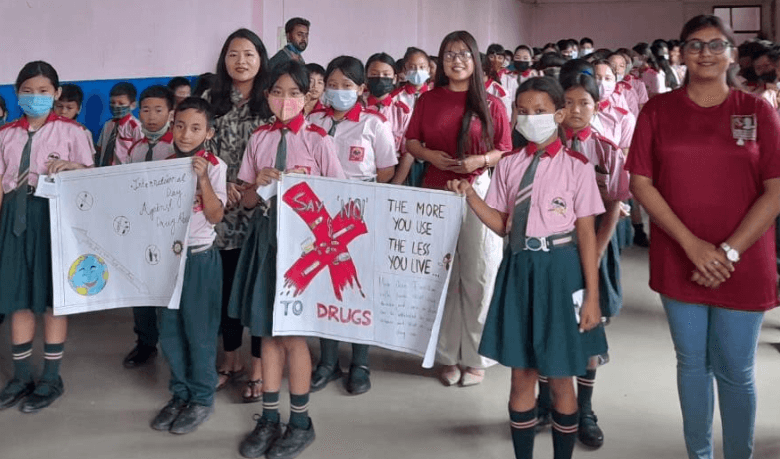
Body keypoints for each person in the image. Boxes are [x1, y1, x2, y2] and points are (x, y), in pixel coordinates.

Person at [627, 15, 780, 459]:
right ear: (680, 53)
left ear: (732, 53)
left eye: (717, 45)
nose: (706, 53)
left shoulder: (757, 111)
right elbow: (640, 182)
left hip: (744, 259)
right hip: (679, 256)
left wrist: (728, 251)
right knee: (693, 365)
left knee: (736, 370)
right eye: (695, 45)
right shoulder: (657, 110)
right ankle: (699, 455)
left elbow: (775, 189)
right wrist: (693, 247)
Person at [449, 76, 606, 459]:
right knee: (521, 373)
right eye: (522, 111)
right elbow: (503, 223)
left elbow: (586, 234)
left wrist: (592, 298)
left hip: (561, 270)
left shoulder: (577, 167)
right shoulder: (509, 165)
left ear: (559, 114)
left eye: (539, 111)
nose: (530, 118)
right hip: (519, 269)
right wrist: (469, 194)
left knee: (561, 375)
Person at [230, 60, 345, 459]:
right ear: (266, 96)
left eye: (293, 93)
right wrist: (256, 185)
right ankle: (268, 418)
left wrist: (308, 190)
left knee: (294, 335)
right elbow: (244, 201)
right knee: (266, 333)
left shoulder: (319, 141)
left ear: (307, 98)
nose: (284, 100)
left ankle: (300, 421)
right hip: (265, 240)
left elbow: (338, 203)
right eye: (277, 93)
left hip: (303, 248)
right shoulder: (259, 139)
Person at [406, 31, 511, 387]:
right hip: (435, 190)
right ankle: (447, 355)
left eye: (465, 54)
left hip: (477, 189)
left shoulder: (491, 103)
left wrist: (480, 160)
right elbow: (411, 142)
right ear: (441, 61)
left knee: (479, 271)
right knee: (443, 275)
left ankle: (477, 355)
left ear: (476, 60)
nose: (457, 60)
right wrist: (429, 155)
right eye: (449, 54)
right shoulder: (428, 99)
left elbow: (505, 148)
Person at [536, 72, 630, 449]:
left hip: (594, 251)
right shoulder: (541, 146)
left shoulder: (607, 149)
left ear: (597, 106)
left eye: (584, 103)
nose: (576, 110)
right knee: (545, 327)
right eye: (568, 103)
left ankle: (585, 410)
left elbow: (614, 203)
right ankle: (547, 403)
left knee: (588, 334)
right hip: (548, 252)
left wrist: (599, 250)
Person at [0, 61, 95, 413]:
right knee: (18, 298)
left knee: (54, 299)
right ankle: (21, 376)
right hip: (13, 216)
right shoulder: (6, 134)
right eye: (27, 91)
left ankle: (51, 378)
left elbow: (91, 177)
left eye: (43, 91)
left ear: (56, 93)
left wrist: (75, 169)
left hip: (55, 216)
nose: (35, 97)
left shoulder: (73, 133)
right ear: (16, 93)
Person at [307, 55, 397, 395]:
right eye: (332, 85)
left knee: (359, 286)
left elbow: (387, 172)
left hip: (361, 216)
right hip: (320, 215)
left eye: (347, 86)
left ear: (361, 89)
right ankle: (328, 362)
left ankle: (360, 362)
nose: (339, 91)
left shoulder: (374, 124)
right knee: (326, 284)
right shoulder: (313, 119)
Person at [150, 97, 227, 434]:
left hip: (199, 258)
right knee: (170, 331)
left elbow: (215, 215)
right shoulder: (162, 164)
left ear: (208, 133)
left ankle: (201, 398)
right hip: (167, 259)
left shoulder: (216, 166)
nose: (185, 134)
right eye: (180, 125)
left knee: (200, 332)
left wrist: (205, 181)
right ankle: (179, 392)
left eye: (195, 128)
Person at [204, 28, 273, 401]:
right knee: (228, 288)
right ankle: (230, 360)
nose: (241, 61)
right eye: (233, 54)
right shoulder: (211, 100)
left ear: (260, 58)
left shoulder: (272, 101)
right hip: (222, 210)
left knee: (259, 291)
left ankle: (259, 369)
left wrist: (248, 186)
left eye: (249, 53)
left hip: (262, 208)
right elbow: (199, 147)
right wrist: (222, 182)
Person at [119, 85, 176, 367]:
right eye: (145, 110)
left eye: (158, 110)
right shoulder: (136, 147)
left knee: (167, 289)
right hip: (140, 229)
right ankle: (145, 343)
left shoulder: (177, 146)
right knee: (140, 287)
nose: (151, 117)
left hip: (168, 230)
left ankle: (172, 343)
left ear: (170, 113)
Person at [361, 53, 412, 185]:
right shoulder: (356, 106)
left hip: (393, 175)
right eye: (374, 74)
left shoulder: (403, 111)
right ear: (366, 77)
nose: (380, 78)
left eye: (386, 75)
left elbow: (408, 153)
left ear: (395, 78)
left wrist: (394, 186)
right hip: (358, 172)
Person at [95, 82, 143, 167]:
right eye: (113, 103)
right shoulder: (108, 125)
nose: (116, 106)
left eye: (121, 103)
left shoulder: (136, 127)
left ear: (132, 105)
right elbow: (100, 148)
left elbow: (141, 154)